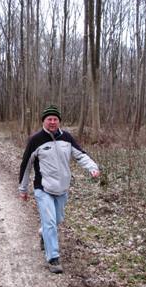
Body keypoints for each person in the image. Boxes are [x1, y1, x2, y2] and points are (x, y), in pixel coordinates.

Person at [18, 105, 100, 274]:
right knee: (49, 222)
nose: (53, 122)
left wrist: (92, 167)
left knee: (57, 219)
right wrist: (23, 188)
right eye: (49, 119)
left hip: (62, 188)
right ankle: (53, 258)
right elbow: (26, 165)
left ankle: (43, 234)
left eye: (55, 119)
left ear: (59, 121)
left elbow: (80, 155)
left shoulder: (67, 138)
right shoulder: (36, 140)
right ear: (44, 121)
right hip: (43, 188)